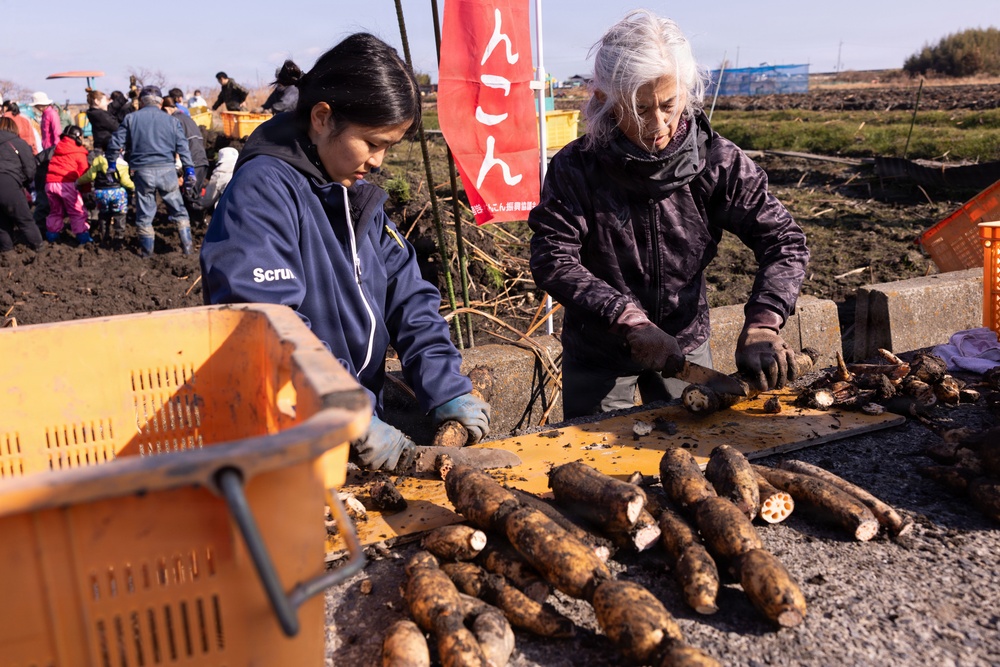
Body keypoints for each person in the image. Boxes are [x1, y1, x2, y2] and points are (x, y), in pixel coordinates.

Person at [200, 33, 490, 472]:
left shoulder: (358, 199)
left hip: (350, 429)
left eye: (388, 147)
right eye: (372, 143)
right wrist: (343, 413)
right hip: (290, 441)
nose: (378, 161)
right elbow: (264, 325)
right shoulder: (264, 191)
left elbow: (408, 296)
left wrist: (446, 386)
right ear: (321, 118)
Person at [527, 10, 810, 419]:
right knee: (600, 462)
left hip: (685, 344)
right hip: (599, 352)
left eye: (668, 104)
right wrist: (624, 317)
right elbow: (552, 257)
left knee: (699, 451)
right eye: (639, 108)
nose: (657, 124)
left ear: (686, 91)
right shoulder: (577, 168)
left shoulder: (718, 163)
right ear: (606, 101)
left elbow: (784, 241)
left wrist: (765, 321)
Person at [107, 85, 197, 256]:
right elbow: (183, 147)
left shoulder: (131, 119)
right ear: (161, 102)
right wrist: (189, 169)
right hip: (167, 171)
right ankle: (187, 248)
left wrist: (111, 165)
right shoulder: (172, 121)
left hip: (142, 172)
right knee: (179, 210)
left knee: (145, 214)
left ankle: (147, 253)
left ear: (141, 101)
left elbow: (115, 143)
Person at [0, 116, 45, 252]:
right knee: (24, 219)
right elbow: (30, 169)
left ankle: (7, 252)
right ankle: (39, 248)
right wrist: (23, 182)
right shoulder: (19, 143)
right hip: (8, 182)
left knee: (2, 223)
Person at [162, 97, 209, 221]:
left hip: (192, 160)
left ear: (166, 109)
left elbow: (177, 144)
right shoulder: (187, 118)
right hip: (201, 159)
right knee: (193, 193)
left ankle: (199, 220)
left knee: (190, 195)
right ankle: (194, 220)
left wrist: (178, 167)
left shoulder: (174, 120)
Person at [44, 125, 92, 245]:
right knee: (77, 211)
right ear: (78, 137)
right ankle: (83, 237)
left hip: (50, 183)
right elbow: (84, 173)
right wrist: (86, 191)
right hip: (66, 184)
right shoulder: (78, 152)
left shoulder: (58, 149)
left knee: (55, 211)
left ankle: (52, 236)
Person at [77, 150, 134, 248]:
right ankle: (118, 239)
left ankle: (104, 237)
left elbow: (90, 176)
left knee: (103, 215)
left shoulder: (98, 160)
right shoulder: (122, 163)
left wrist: (78, 181)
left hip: (101, 193)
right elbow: (125, 181)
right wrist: (134, 188)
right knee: (120, 215)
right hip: (117, 193)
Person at [197, 145, 238, 217]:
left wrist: (197, 202)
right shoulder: (242, 171)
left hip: (227, 213)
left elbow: (208, 200)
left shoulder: (220, 175)